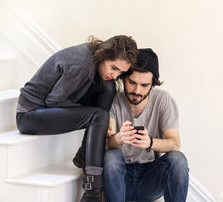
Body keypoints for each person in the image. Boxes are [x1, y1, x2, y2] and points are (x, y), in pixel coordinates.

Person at [16, 35, 138, 202]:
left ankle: (84, 156)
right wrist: (91, 116)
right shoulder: (83, 65)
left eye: (121, 72)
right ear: (105, 54)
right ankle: (93, 191)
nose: (115, 74)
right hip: (30, 114)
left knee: (109, 87)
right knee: (99, 116)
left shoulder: (95, 59)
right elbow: (53, 101)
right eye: (114, 67)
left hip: (46, 108)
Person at [104, 48, 189, 202]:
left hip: (150, 178)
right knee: (111, 155)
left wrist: (150, 142)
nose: (137, 90)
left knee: (178, 159)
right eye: (132, 83)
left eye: (144, 85)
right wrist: (118, 138)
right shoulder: (114, 100)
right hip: (121, 178)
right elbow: (108, 144)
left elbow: (175, 143)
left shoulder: (163, 100)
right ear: (123, 79)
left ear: (152, 84)